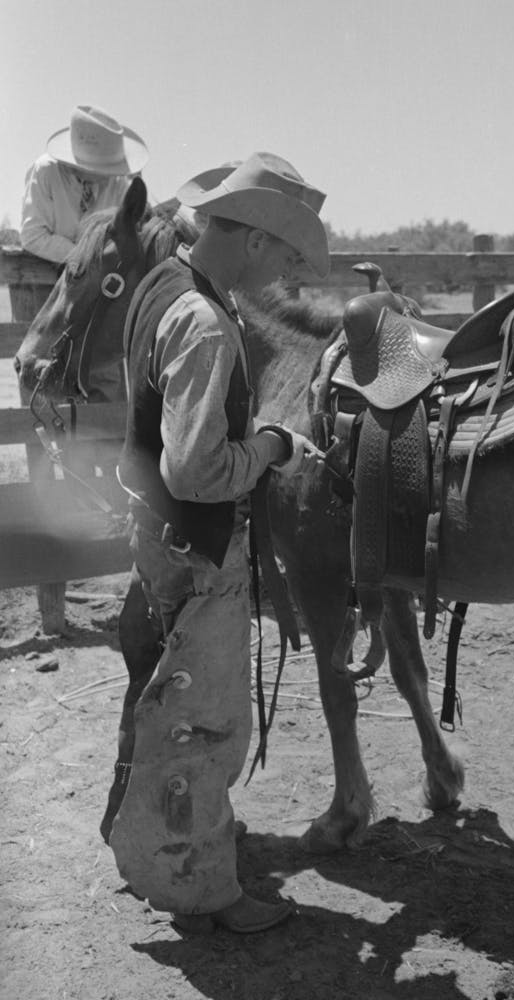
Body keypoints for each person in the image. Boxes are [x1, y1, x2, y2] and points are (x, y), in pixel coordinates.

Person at [107, 152, 329, 933]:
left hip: (156, 536)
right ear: (258, 242)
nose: (285, 271)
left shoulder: (161, 284)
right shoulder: (206, 323)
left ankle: (140, 844)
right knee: (202, 720)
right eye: (285, 252)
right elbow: (201, 472)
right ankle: (208, 891)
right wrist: (272, 446)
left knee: (162, 696)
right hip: (197, 548)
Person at [20, 104, 149, 266]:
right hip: (46, 274)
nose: (113, 173)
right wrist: (85, 256)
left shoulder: (120, 184)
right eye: (107, 168)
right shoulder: (46, 171)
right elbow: (33, 235)